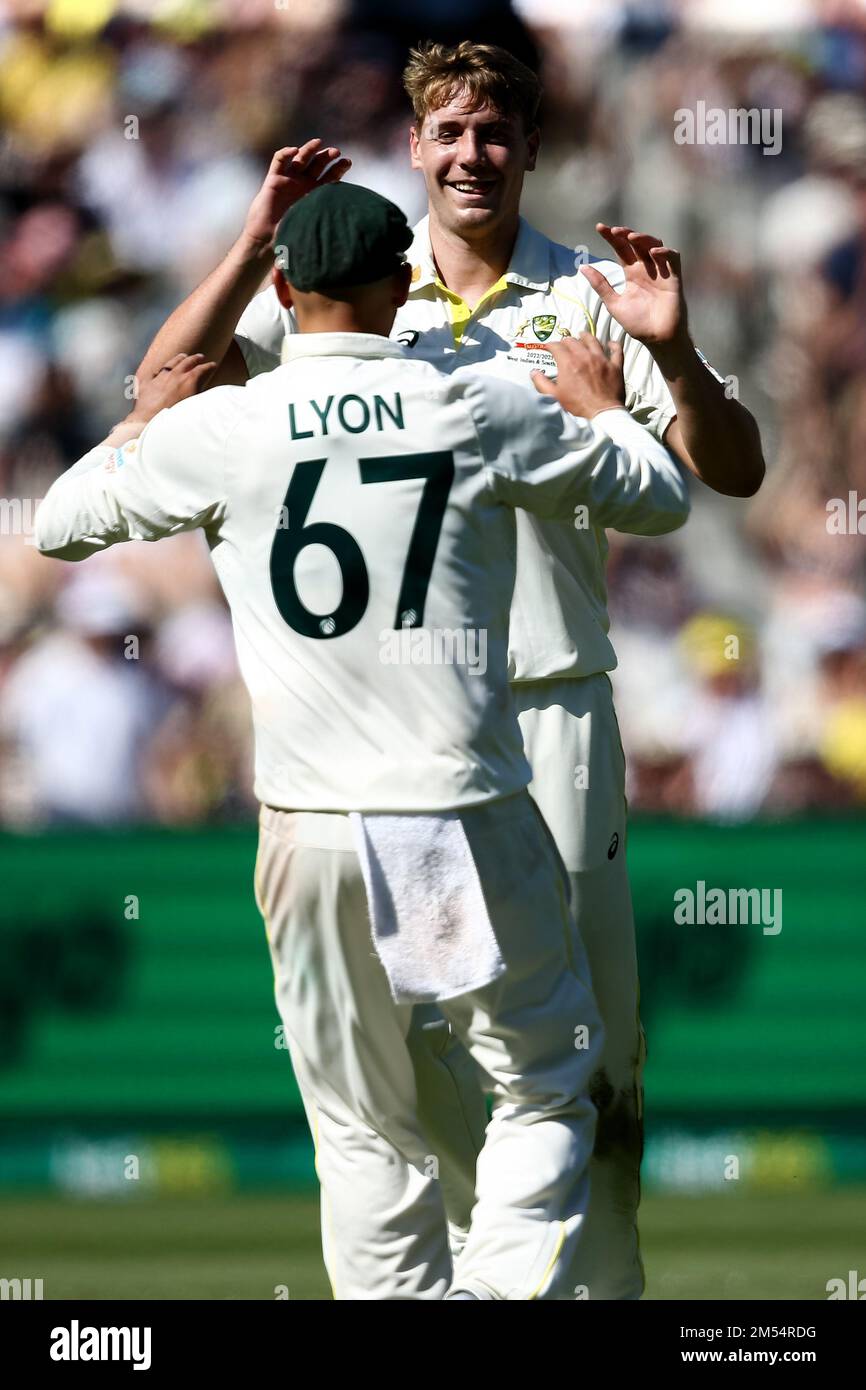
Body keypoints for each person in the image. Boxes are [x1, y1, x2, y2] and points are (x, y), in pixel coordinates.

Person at [132, 40, 764, 1299]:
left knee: (581, 1067)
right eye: (449, 132)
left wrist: (677, 358)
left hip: (549, 715)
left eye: (495, 133)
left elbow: (731, 471)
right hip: (398, 737)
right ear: (415, 146)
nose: (471, 154)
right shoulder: (350, 282)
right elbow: (160, 390)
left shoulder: (589, 298)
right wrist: (261, 238)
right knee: (425, 1075)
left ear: (530, 149)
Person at [35, 183, 690, 1300]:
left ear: (283, 291)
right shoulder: (475, 401)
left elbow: (56, 522)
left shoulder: (223, 429)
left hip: (311, 822)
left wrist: (144, 423)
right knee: (543, 1085)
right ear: (402, 289)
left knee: (360, 1127)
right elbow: (660, 495)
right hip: (462, 806)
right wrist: (600, 408)